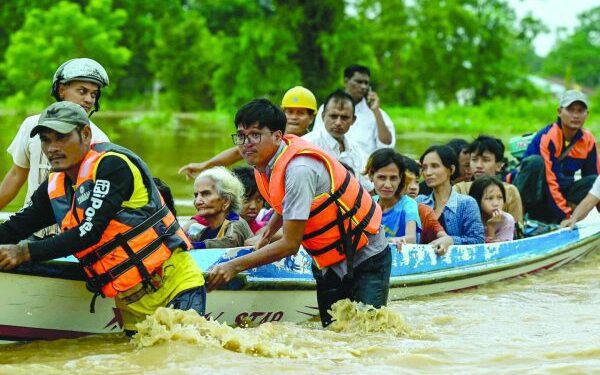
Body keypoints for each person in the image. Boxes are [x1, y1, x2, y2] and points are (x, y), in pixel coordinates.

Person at [0, 102, 205, 334]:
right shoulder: (55, 185)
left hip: (174, 286)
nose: (52, 148)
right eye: (46, 140)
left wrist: (23, 252)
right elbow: (17, 226)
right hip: (131, 302)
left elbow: (90, 231)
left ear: (85, 134)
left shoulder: (112, 165)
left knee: (181, 357)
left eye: (61, 137)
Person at [207, 99, 390, 327]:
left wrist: (233, 266)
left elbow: (290, 244)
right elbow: (284, 204)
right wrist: (265, 234)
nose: (246, 143)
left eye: (255, 135)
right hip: (327, 257)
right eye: (241, 136)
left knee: (368, 330)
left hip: (365, 252)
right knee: (334, 330)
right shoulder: (264, 165)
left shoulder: (299, 170)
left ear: (277, 136)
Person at [0, 58, 110, 233]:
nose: (89, 99)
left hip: (71, 235)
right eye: (82, 91)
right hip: (30, 228)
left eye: (93, 94)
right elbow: (15, 176)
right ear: (61, 90)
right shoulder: (32, 126)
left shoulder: (99, 140)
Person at [178, 86, 317, 178]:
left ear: (311, 118)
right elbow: (238, 152)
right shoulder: (269, 137)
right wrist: (204, 166)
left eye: (300, 113)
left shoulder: (314, 143)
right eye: (290, 112)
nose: (293, 117)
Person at [511, 90, 599, 223]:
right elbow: (550, 180)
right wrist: (565, 215)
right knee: (535, 162)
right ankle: (519, 219)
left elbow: (596, 184)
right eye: (570, 110)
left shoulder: (588, 140)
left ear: (587, 114)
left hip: (561, 194)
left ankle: (563, 221)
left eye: (580, 110)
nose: (575, 115)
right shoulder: (548, 137)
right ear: (559, 111)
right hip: (537, 191)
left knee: (593, 180)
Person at [313, 64, 395, 156]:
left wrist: (376, 111)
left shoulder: (377, 114)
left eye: (366, 83)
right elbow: (317, 139)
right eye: (359, 82)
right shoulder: (326, 108)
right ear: (346, 81)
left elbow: (387, 146)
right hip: (330, 164)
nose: (363, 86)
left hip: (363, 167)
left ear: (353, 119)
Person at [303, 89, 372, 191]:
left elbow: (366, 187)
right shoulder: (307, 144)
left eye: (344, 118)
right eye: (333, 116)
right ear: (323, 116)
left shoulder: (355, 149)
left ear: (353, 120)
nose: (338, 122)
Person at [417, 145, 485, 244]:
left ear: (451, 169)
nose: (428, 172)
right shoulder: (419, 202)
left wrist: (451, 241)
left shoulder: (467, 204)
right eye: (424, 167)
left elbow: (477, 240)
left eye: (435, 166)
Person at [454, 135, 524, 225]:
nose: (478, 165)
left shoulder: (510, 191)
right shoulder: (459, 189)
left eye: (485, 160)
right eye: (474, 160)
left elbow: (517, 230)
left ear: (498, 166)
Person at [184, 167, 252, 248]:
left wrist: (197, 246)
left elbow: (230, 243)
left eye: (206, 194)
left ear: (226, 201)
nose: (198, 201)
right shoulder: (203, 233)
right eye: (196, 195)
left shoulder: (237, 223)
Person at [365, 149, 420, 248]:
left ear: (401, 179)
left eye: (393, 178)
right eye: (381, 177)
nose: (387, 185)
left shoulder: (408, 204)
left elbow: (411, 238)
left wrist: (385, 241)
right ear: (371, 176)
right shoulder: (368, 203)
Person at [403, 156, 453, 254]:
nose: (413, 187)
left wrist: (445, 241)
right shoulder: (376, 205)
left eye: (417, 182)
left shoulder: (424, 211)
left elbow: (445, 237)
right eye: (407, 182)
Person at [469, 176, 515, 242]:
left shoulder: (507, 220)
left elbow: (496, 250)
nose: (496, 204)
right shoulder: (470, 219)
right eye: (490, 198)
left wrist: (491, 226)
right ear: (477, 200)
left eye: (500, 197)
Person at [232, 166, 267, 234]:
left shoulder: (262, 231)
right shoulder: (210, 224)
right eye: (246, 199)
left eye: (259, 199)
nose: (253, 206)